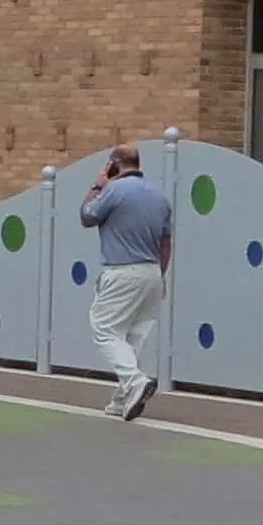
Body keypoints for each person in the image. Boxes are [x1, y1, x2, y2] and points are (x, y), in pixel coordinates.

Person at [77, 140, 175, 418]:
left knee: (104, 329)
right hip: (152, 272)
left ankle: (134, 382)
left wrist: (97, 185)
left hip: (121, 270)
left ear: (113, 164)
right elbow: (166, 242)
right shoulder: (159, 197)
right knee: (134, 336)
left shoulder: (113, 190)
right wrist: (160, 275)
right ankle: (123, 399)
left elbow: (86, 216)